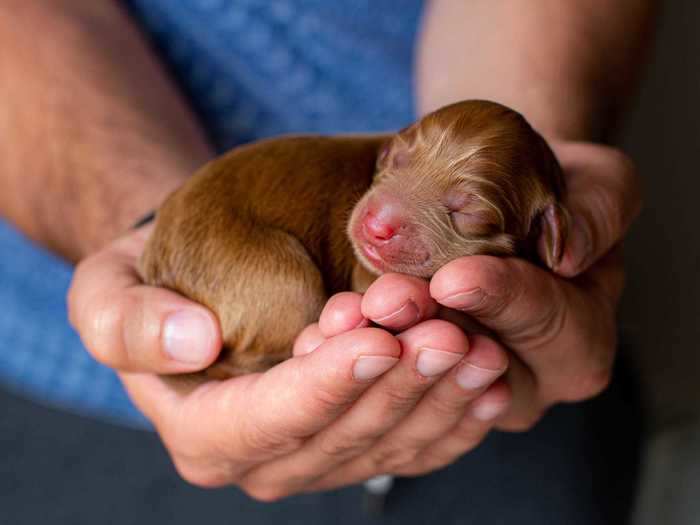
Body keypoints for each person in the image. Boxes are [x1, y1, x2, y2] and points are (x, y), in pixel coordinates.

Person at [0, 1, 655, 522]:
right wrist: (142, 232)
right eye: (396, 162)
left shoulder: (520, 238)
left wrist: (541, 132)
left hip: (513, 396)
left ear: (545, 231)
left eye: (470, 215)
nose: (381, 217)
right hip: (62, 372)